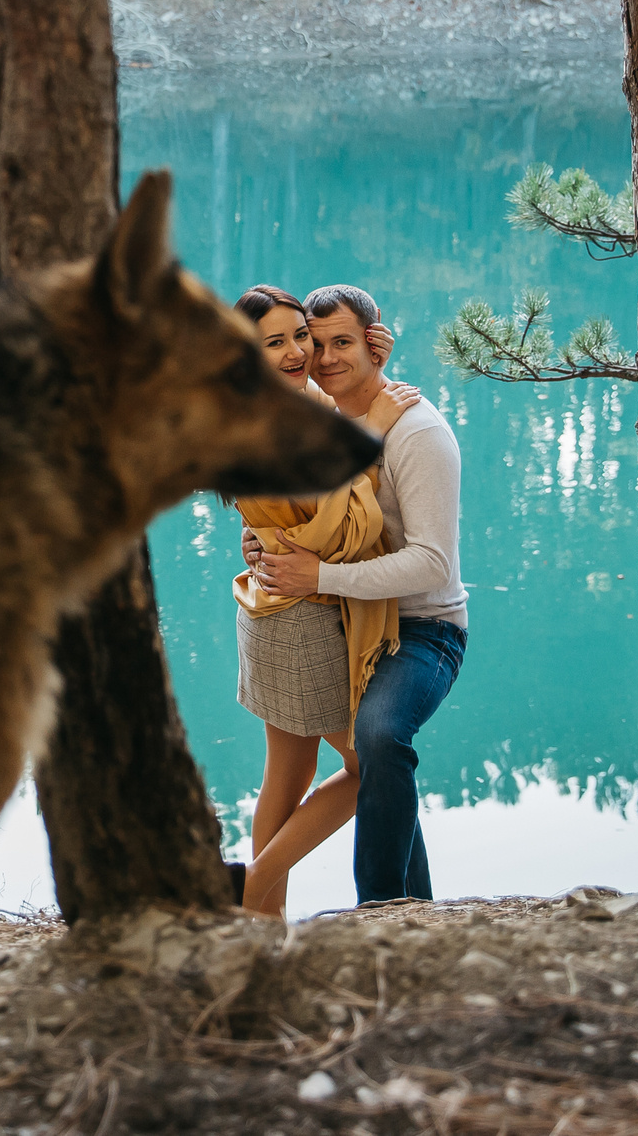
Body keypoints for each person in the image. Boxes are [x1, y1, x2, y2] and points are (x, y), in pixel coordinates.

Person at [246, 283, 465, 903]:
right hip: (326, 616)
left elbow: (433, 564)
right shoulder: (316, 413)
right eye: (316, 345)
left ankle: (380, 910)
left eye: (339, 343)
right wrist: (263, 539)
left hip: (423, 626)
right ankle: (403, 908)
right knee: (320, 770)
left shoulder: (416, 432)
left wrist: (316, 574)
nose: (317, 356)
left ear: (374, 343)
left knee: (378, 741)